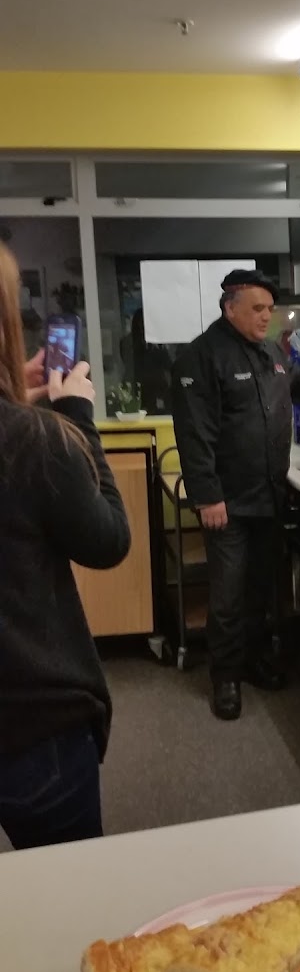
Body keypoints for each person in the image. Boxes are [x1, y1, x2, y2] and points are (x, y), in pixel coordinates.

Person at [172, 269, 300, 721]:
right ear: (230, 307)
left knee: (260, 588)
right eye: (257, 308)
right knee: (228, 594)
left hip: (268, 495)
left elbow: (294, 387)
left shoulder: (268, 354)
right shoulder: (201, 356)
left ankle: (254, 659)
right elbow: (194, 433)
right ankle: (225, 677)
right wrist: (207, 496)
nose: (266, 317)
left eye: (269, 309)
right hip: (228, 502)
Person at [0, 242, 131, 850]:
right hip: (33, 726)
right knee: (69, 889)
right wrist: (75, 416)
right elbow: (108, 539)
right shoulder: (31, 440)